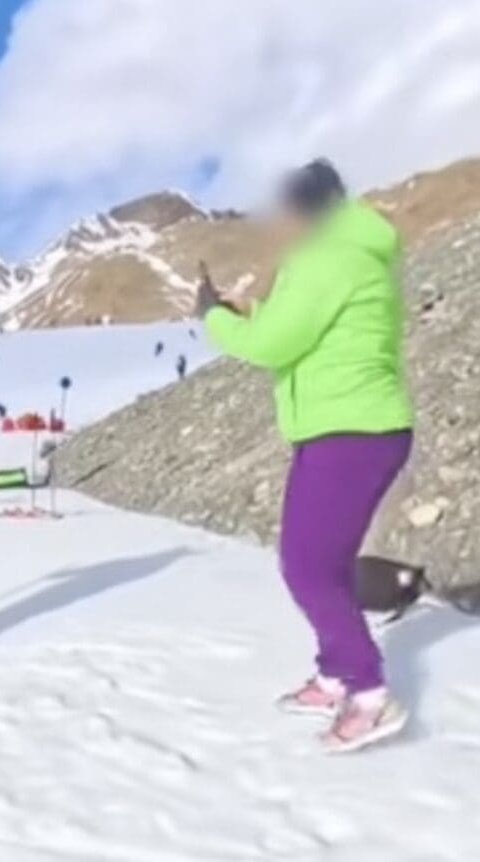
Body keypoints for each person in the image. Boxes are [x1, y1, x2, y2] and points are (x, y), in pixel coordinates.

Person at [198, 158, 414, 754]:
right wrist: (247, 315)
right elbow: (299, 329)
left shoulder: (326, 259)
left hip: (350, 431)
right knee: (328, 563)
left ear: (303, 210)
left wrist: (212, 317)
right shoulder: (348, 254)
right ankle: (337, 672)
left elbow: (273, 345)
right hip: (349, 429)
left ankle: (369, 691)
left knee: (307, 567)